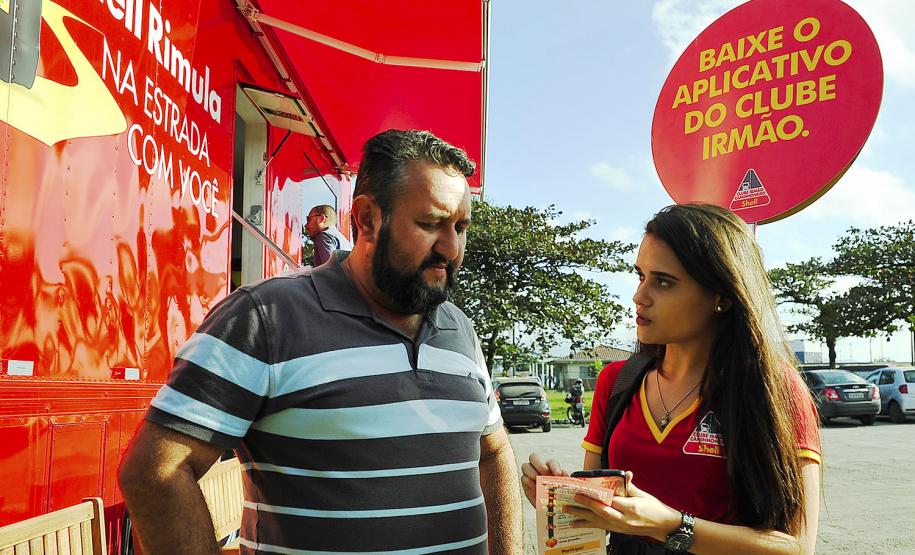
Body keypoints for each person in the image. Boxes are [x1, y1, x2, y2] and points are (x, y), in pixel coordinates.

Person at [119, 129, 523, 555]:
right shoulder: (265, 317)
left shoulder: (460, 328)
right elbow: (156, 473)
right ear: (366, 218)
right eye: (429, 224)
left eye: (461, 227)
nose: (451, 246)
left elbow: (493, 452)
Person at [521, 204, 821, 555]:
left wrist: (670, 525)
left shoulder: (774, 390)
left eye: (663, 282)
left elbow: (797, 546)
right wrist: (562, 499)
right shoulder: (616, 382)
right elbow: (600, 524)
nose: (639, 296)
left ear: (722, 296)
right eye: (640, 276)